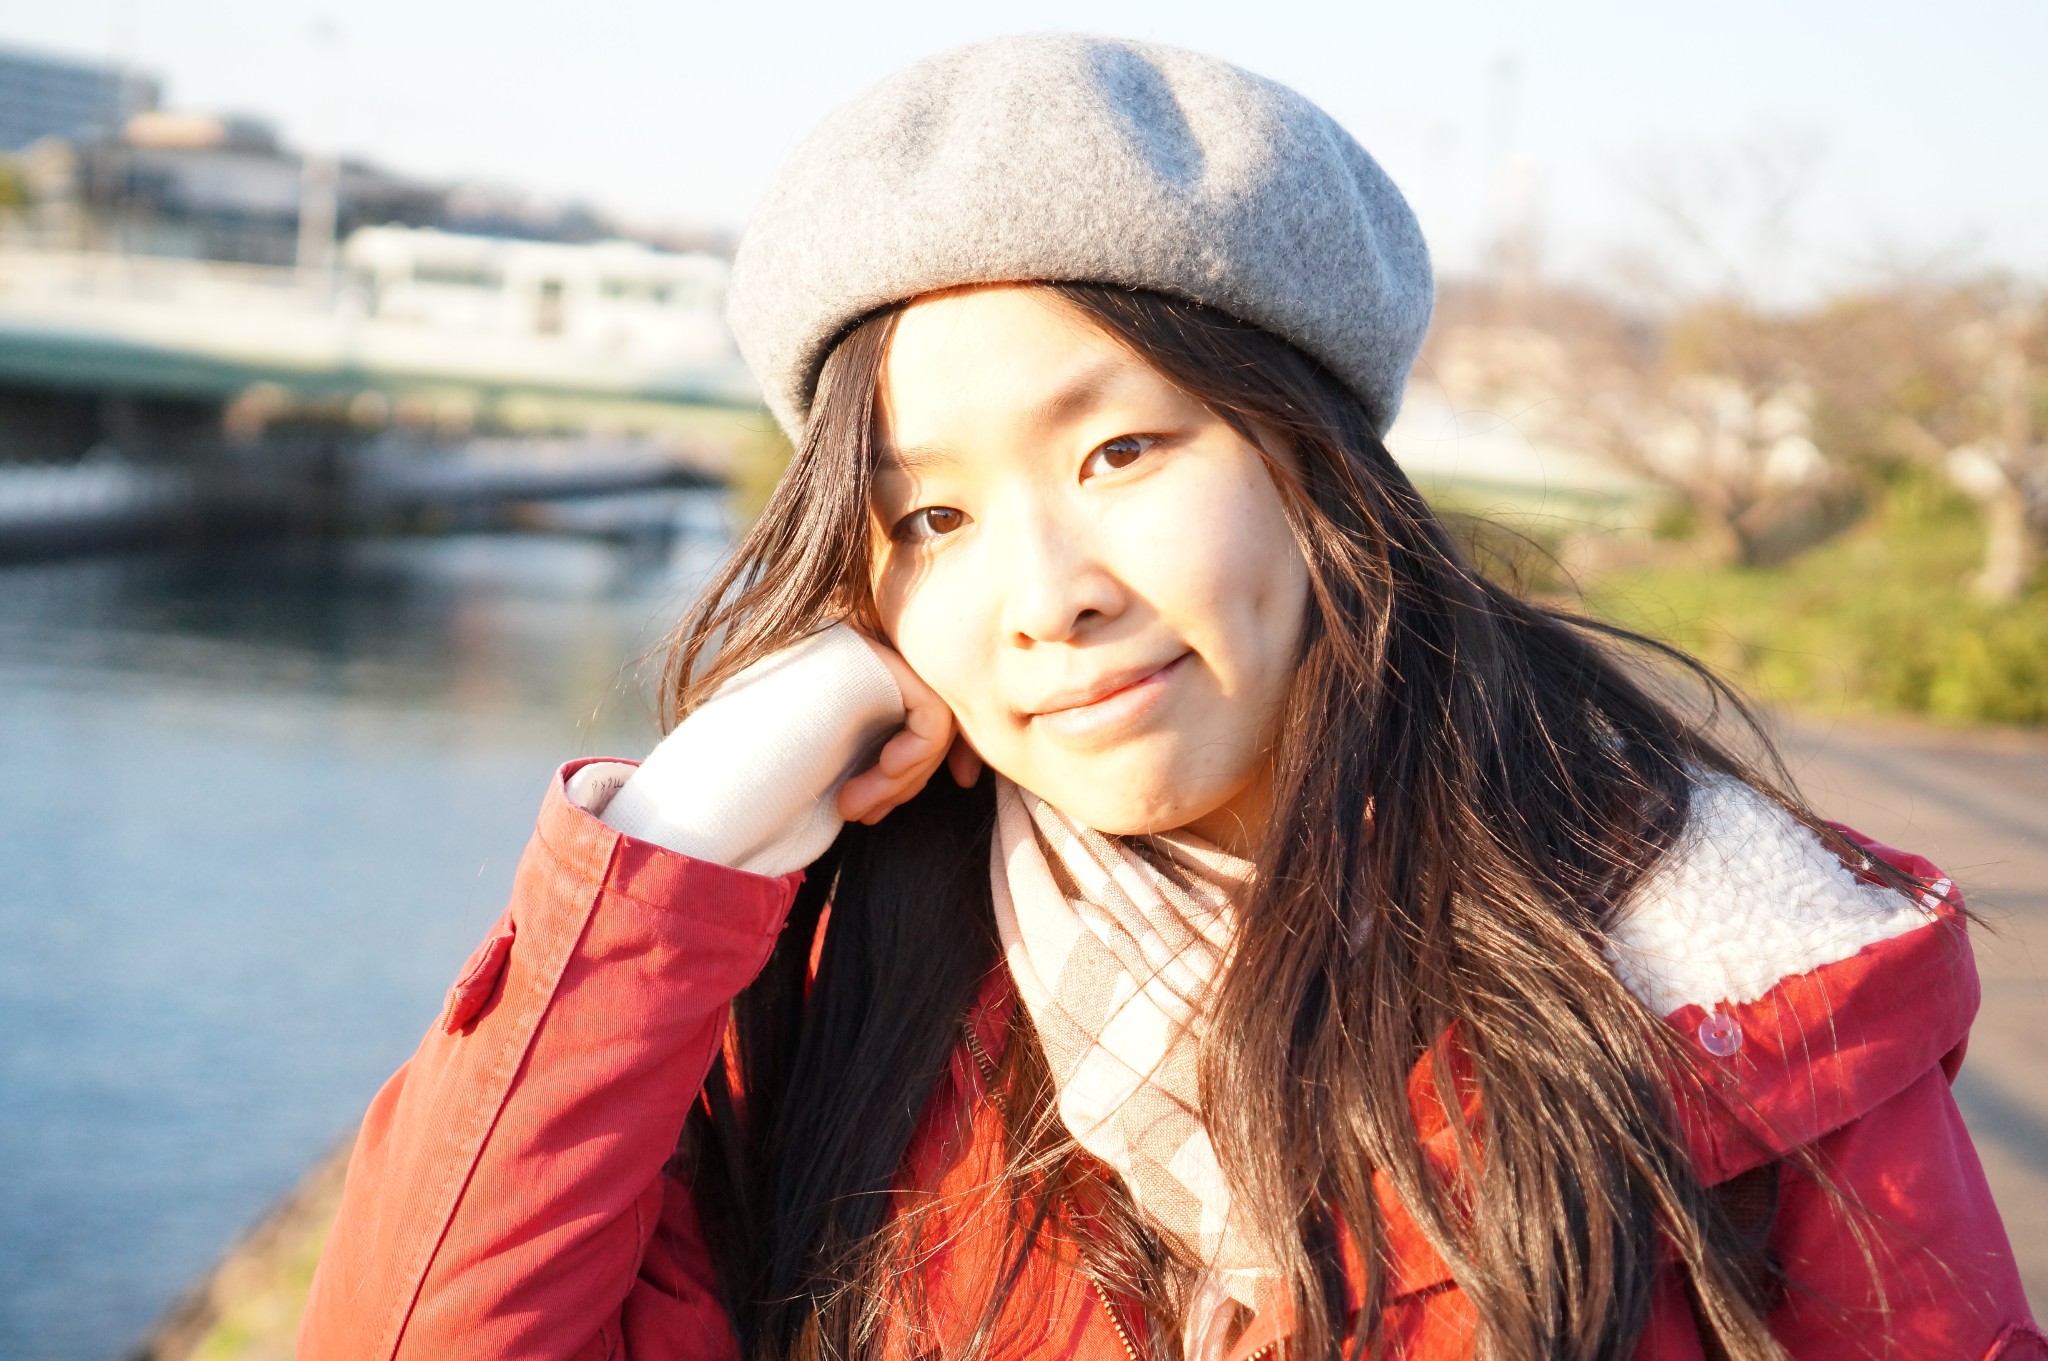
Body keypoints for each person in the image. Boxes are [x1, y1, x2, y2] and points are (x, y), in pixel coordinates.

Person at [299, 33, 2042, 1361]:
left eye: (1122, 449)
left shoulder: (1723, 975)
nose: (1045, 593)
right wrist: (682, 831)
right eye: (932, 518)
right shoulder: (807, 981)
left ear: (1314, 468)